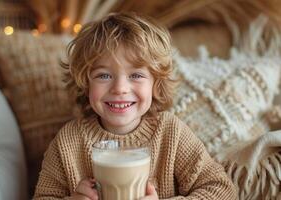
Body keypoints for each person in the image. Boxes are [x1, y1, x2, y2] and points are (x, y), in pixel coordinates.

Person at [33, 12, 236, 200]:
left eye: (136, 75)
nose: (120, 88)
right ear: (86, 85)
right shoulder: (68, 142)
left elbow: (222, 189)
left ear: (155, 84)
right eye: (104, 75)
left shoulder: (170, 133)